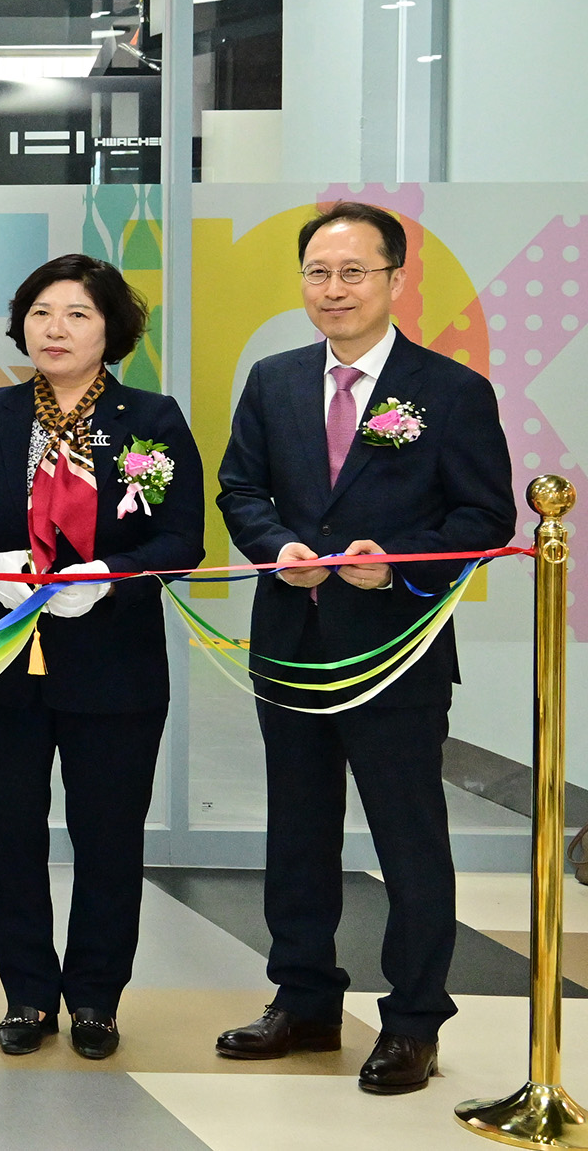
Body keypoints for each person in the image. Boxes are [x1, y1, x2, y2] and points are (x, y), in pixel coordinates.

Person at [212, 202, 510, 1095]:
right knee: (297, 831)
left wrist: (399, 572)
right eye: (317, 273)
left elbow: (483, 518)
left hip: (398, 650)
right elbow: (240, 487)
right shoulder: (273, 379)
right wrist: (277, 549)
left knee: (408, 838)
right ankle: (303, 997)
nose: (332, 290)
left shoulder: (449, 389)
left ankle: (414, 1020)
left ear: (393, 279)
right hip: (293, 645)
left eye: (353, 272)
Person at [0, 255, 201, 1060]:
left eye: (76, 313)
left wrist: (112, 575)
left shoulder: (152, 418)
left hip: (116, 663)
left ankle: (98, 998)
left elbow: (183, 538)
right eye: (41, 311)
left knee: (109, 837)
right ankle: (29, 994)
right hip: (1, 657)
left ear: (111, 328)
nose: (56, 328)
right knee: (9, 833)